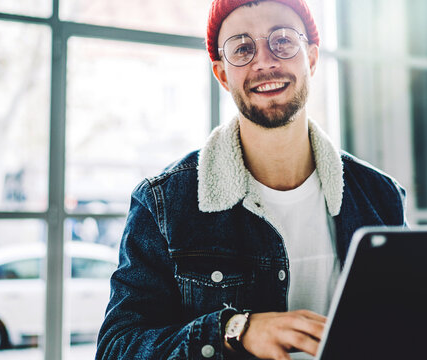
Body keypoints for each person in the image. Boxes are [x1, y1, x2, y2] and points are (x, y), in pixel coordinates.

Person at [95, 0, 407, 359]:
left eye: (283, 41)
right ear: (223, 75)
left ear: (312, 58)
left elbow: (409, 326)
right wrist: (233, 331)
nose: (264, 62)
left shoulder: (380, 196)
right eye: (243, 48)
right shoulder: (163, 204)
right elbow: (117, 349)